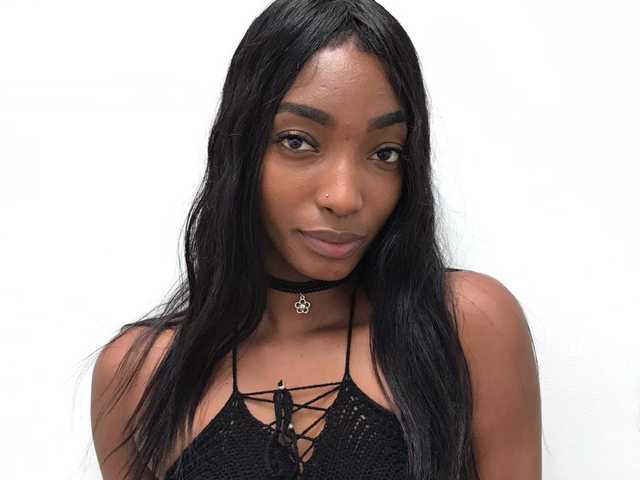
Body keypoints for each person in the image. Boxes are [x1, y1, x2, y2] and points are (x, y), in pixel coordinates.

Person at [90, 1, 541, 479]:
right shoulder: (139, 378)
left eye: (385, 152)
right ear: (240, 148)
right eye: (298, 141)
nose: (344, 197)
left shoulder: (465, 326)